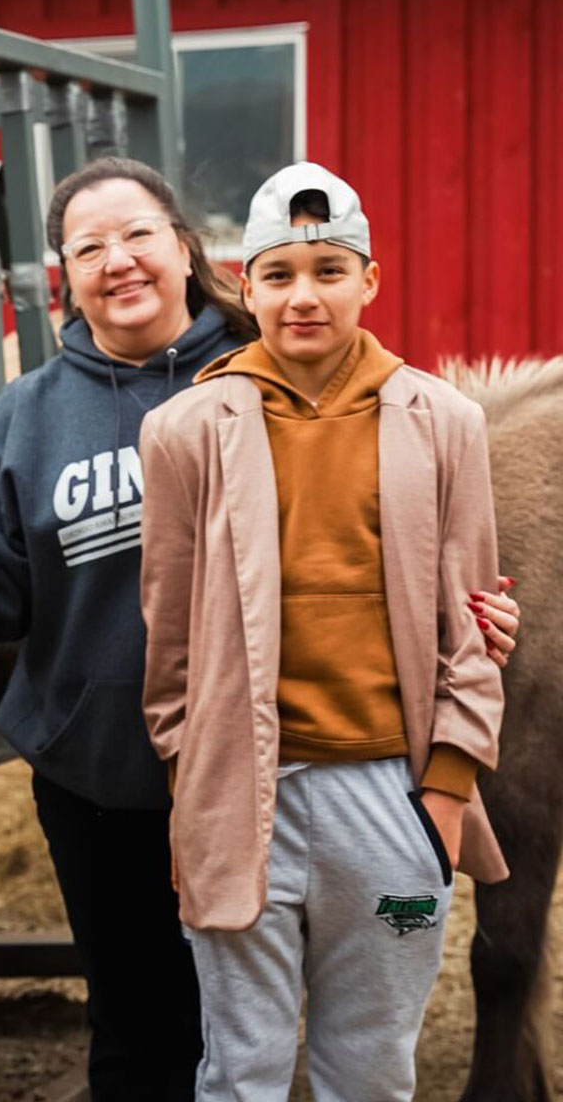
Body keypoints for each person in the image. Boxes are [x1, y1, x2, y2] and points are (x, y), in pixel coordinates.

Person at [0, 156, 519, 1101]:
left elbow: (444, 588)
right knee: (175, 1041)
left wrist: (445, 788)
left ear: (188, 251)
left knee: (364, 1053)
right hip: (144, 782)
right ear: (63, 278)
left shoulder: (381, 399)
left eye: (138, 235)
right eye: (89, 248)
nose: (118, 260)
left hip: (360, 775)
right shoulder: (63, 423)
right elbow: (46, 601)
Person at [139, 161, 507, 1100]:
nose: (304, 295)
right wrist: (188, 787)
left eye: (330, 270)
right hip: (239, 793)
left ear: (369, 281)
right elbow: (168, 640)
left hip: (390, 791)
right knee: (243, 1065)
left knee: (372, 1063)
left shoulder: (445, 422)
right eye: (279, 274)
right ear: (247, 286)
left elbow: (470, 631)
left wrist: (444, 797)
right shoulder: (184, 430)